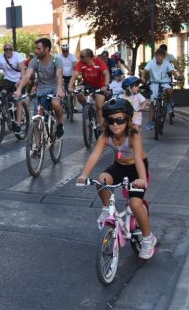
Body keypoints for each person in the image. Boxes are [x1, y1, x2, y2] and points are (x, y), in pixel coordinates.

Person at [76, 98, 156, 260]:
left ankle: (148, 238)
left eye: (120, 120)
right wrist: (84, 174)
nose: (115, 124)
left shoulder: (133, 135)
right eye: (111, 120)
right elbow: (95, 155)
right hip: (119, 166)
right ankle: (107, 209)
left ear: (127, 119)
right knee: (101, 180)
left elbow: (139, 159)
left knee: (135, 204)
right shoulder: (106, 136)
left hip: (136, 168)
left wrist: (141, 179)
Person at [14, 37, 65, 138]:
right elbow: (27, 76)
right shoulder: (35, 61)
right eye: (36, 48)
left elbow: (59, 75)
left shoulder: (56, 60)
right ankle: (37, 148)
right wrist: (19, 89)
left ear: (46, 49)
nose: (36, 51)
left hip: (55, 88)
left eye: (38, 49)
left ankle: (60, 124)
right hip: (41, 91)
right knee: (37, 120)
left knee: (55, 103)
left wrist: (59, 89)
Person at [140, 47, 183, 130]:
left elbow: (172, 72)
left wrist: (177, 77)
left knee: (170, 90)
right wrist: (143, 78)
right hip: (154, 84)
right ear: (155, 56)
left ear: (163, 57)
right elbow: (144, 71)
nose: (158, 57)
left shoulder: (167, 63)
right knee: (152, 103)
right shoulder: (151, 63)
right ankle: (150, 122)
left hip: (165, 82)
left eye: (160, 56)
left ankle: (169, 102)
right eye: (157, 56)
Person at [68, 48, 110, 127]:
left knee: (99, 106)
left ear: (89, 57)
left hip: (100, 85)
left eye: (82, 56)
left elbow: (106, 73)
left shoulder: (98, 61)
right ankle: (87, 108)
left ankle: (101, 128)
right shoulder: (81, 63)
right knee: (78, 93)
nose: (80, 58)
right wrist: (70, 86)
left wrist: (106, 86)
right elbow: (75, 75)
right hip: (87, 84)